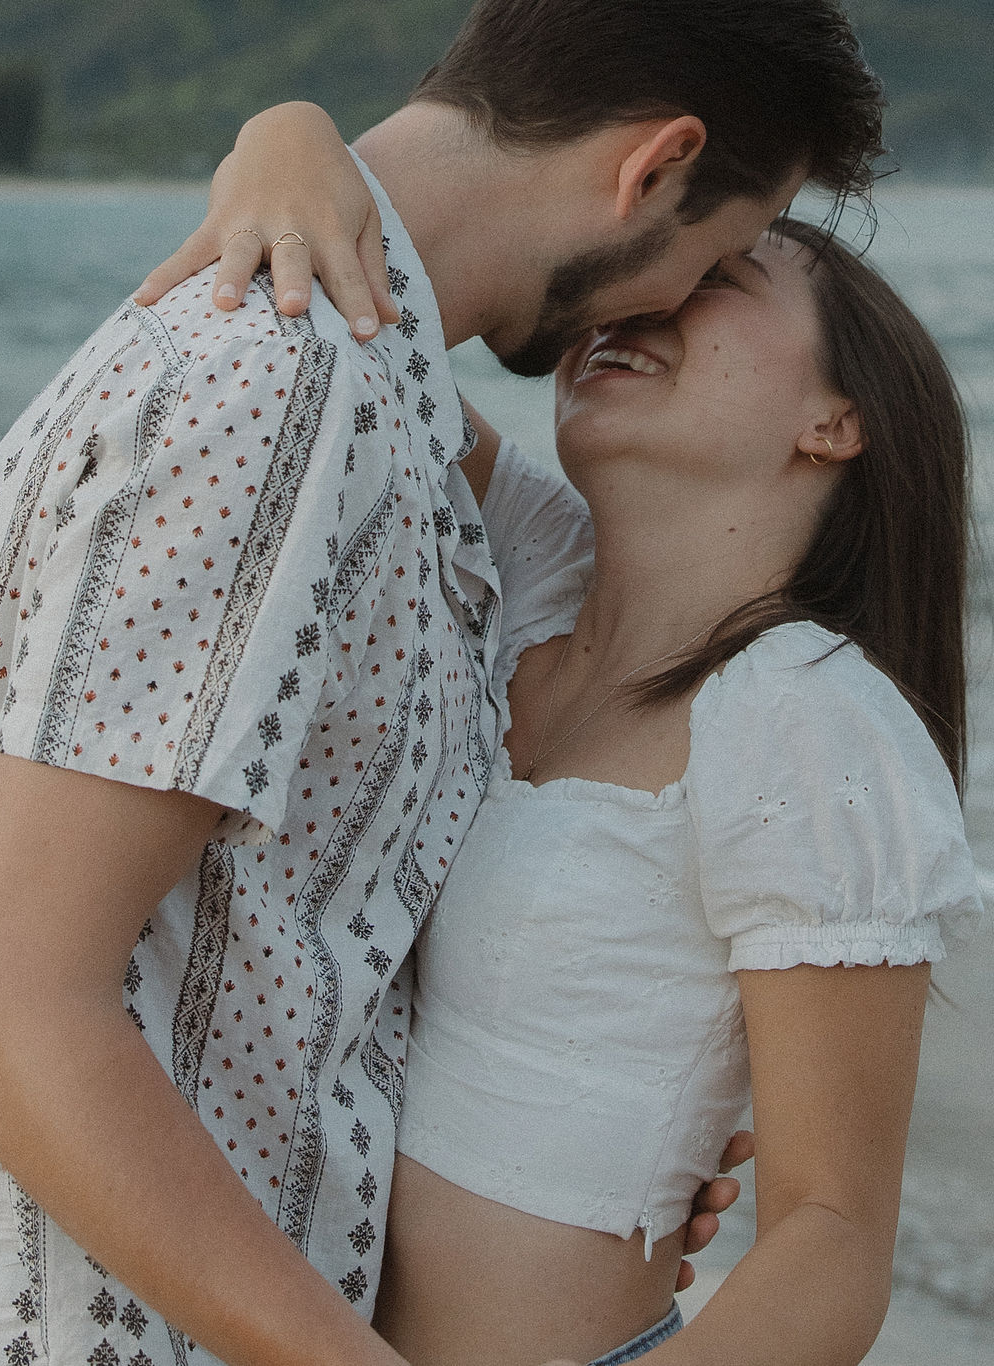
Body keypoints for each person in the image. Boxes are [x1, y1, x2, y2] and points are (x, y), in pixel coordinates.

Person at [0, 3, 887, 1364]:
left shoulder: (365, 406)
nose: (673, 295)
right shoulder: (283, 389)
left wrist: (559, 1158)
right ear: (655, 168)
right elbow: (8, 996)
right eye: (721, 247)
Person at [148, 129, 984, 1361]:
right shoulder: (530, 573)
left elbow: (829, 1240)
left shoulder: (810, 718)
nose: (640, 305)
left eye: (716, 284)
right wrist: (281, 143)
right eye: (647, 281)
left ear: (836, 420)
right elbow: (355, 316)